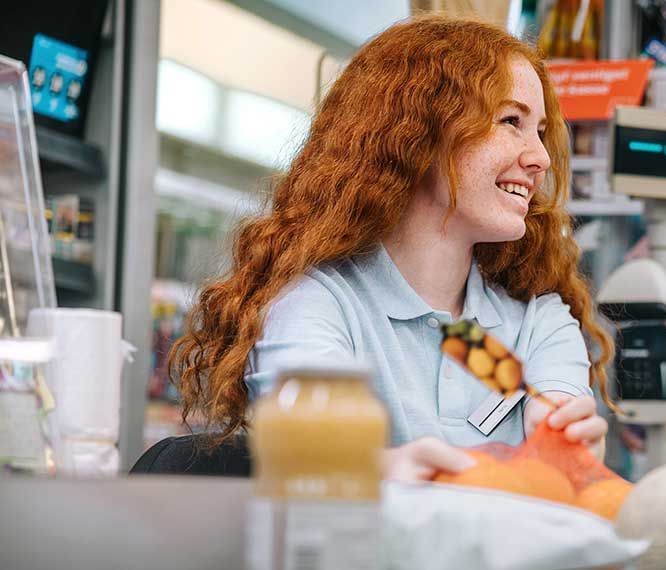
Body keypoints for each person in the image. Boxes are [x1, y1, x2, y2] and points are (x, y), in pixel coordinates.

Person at [169, 15, 614, 480]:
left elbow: (560, 416)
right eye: (510, 121)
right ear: (417, 133)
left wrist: (564, 436)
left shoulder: (538, 323)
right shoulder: (319, 306)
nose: (540, 157)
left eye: (540, 131)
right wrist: (382, 473)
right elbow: (311, 452)